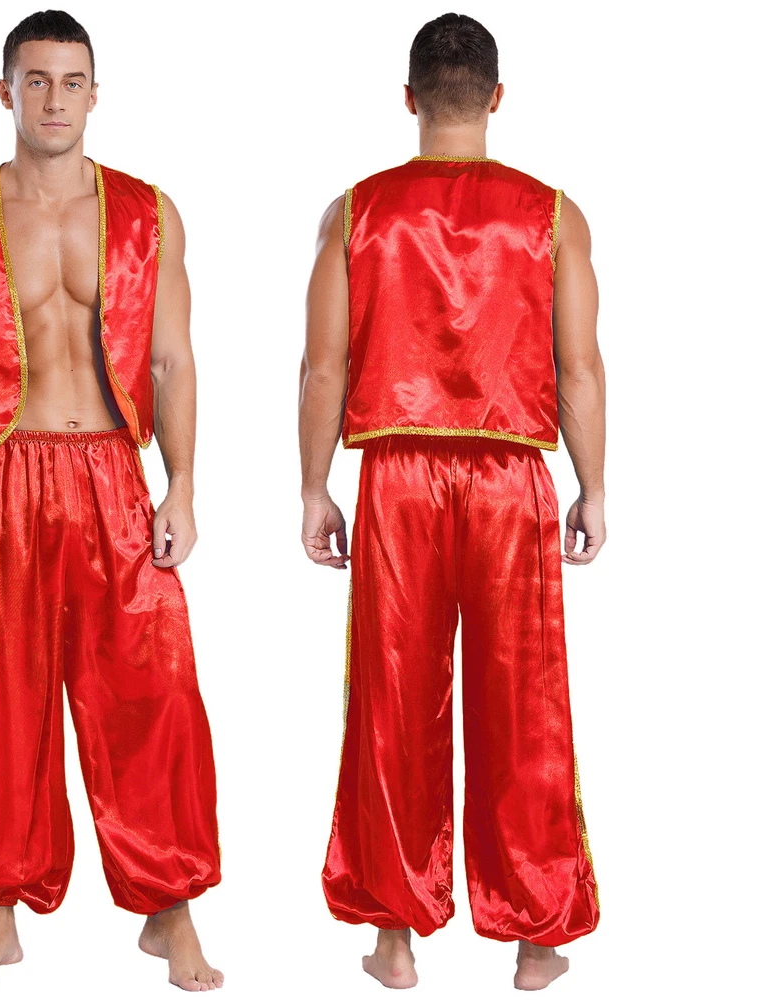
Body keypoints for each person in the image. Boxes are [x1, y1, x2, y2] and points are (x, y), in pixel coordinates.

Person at [0, 10, 222, 991]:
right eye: (36, 80)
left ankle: (170, 910)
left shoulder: (148, 212)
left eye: (71, 81)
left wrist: (181, 485)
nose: (54, 99)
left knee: (152, 696)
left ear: (95, 93)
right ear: (5, 92)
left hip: (113, 476)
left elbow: (171, 360)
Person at [298, 12, 604, 991]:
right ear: (496, 97)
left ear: (409, 98)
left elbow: (322, 367)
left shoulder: (355, 212)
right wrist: (593, 485)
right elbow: (580, 367)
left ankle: (394, 934)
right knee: (525, 705)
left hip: (396, 477)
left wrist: (314, 486)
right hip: (511, 478)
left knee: (392, 700)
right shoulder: (552, 215)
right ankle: (536, 936)